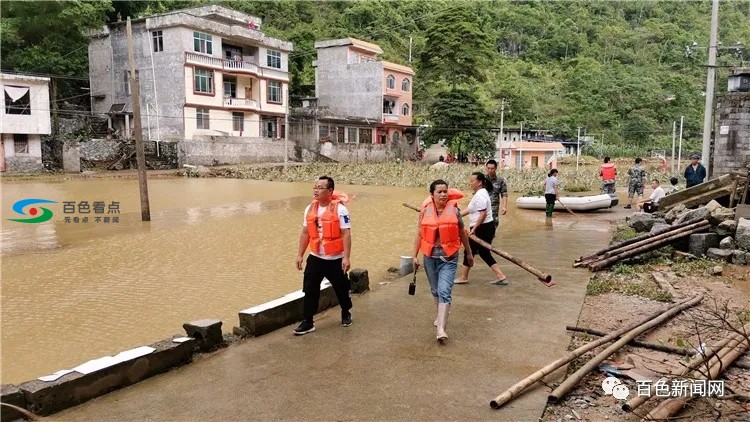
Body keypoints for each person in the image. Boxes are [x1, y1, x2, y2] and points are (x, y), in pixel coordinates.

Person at [412, 180, 473, 342]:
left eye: (445, 191)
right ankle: (439, 315)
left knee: (444, 291)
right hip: (430, 257)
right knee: (435, 290)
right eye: (439, 191)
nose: (443, 194)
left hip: (449, 257)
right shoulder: (425, 211)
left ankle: (441, 329)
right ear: (432, 194)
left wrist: (469, 252)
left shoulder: (455, 211)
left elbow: (462, 233)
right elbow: (419, 234)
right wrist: (414, 256)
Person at [294, 176, 354, 336]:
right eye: (315, 187)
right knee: (309, 290)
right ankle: (308, 321)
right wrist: (300, 254)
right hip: (315, 258)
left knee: (341, 288)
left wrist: (346, 257)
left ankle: (345, 311)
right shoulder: (310, 209)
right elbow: (305, 232)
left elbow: (346, 234)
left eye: (320, 187)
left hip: (335, 259)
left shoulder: (340, 209)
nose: (316, 190)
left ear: (330, 191)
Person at [454, 172, 508, 286]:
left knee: (469, 251)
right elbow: (469, 209)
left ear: (479, 183)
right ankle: (500, 275)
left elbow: (483, 214)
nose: (470, 183)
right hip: (485, 227)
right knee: (483, 252)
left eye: (472, 181)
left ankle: (464, 277)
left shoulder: (480, 195)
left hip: (482, 227)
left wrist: (474, 229)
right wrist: (454, 217)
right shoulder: (479, 193)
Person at [485, 159, 508, 229]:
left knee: (493, 227)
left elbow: (504, 194)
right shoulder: (483, 179)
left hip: (494, 209)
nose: (490, 170)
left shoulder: (501, 180)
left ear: (496, 168)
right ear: (486, 168)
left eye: (492, 168)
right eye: (488, 168)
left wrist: (504, 207)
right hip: (483, 207)